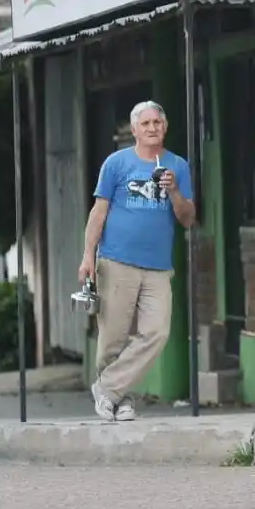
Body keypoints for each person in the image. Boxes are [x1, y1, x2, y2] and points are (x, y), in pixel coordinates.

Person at [79, 100, 195, 421]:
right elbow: (98, 213)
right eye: (145, 124)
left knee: (156, 332)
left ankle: (107, 389)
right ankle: (122, 399)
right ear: (134, 130)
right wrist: (88, 255)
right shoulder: (116, 164)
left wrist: (173, 191)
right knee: (112, 338)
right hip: (116, 261)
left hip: (158, 266)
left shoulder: (178, 166)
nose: (152, 128)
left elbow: (188, 218)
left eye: (157, 122)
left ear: (165, 127)